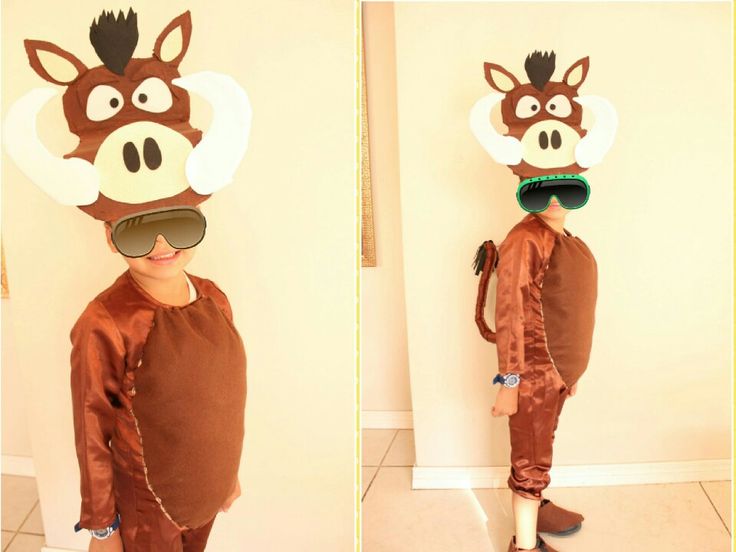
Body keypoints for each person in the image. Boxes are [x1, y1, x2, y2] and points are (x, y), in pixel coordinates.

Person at [71, 220, 246, 552]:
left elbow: (224, 398)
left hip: (204, 487)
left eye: (177, 224)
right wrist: (103, 527)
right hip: (147, 502)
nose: (162, 243)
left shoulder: (214, 298)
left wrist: (226, 473)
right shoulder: (105, 321)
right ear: (111, 237)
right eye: (139, 229)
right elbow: (90, 427)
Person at [491, 199, 597, 552]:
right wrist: (509, 383)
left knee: (541, 444)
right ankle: (524, 545)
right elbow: (510, 311)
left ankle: (536, 508)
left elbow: (567, 307)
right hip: (532, 374)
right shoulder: (525, 239)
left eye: (564, 183)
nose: (554, 197)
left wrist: (572, 369)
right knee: (530, 457)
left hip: (556, 373)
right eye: (543, 184)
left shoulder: (562, 238)